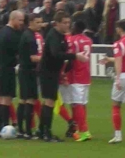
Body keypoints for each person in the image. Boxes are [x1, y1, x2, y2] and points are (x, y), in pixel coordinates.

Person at [38, 12, 84, 142]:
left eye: (68, 22)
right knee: (50, 102)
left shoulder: (60, 36)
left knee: (48, 101)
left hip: (53, 72)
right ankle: (46, 133)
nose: (67, 25)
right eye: (64, 22)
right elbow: (56, 54)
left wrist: (63, 71)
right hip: (48, 72)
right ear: (57, 23)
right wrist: (75, 56)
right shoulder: (54, 36)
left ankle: (42, 130)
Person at [0, 11, 25, 133]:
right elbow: (19, 52)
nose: (22, 23)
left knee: (1, 99)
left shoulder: (1, 32)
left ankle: (0, 127)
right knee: (6, 99)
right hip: (7, 69)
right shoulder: (13, 34)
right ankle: (5, 127)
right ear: (13, 19)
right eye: (20, 20)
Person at [64, 18, 94, 142]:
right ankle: (78, 129)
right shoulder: (89, 40)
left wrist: (64, 72)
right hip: (86, 75)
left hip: (76, 75)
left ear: (76, 27)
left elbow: (70, 59)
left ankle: (84, 131)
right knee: (82, 103)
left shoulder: (72, 40)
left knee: (76, 104)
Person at [17, 14, 44, 140]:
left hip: (23, 70)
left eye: (41, 22)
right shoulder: (31, 38)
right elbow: (33, 57)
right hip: (29, 71)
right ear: (31, 22)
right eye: (37, 22)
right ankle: (28, 131)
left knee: (23, 100)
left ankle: (21, 130)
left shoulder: (25, 34)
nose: (40, 25)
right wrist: (46, 59)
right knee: (30, 100)